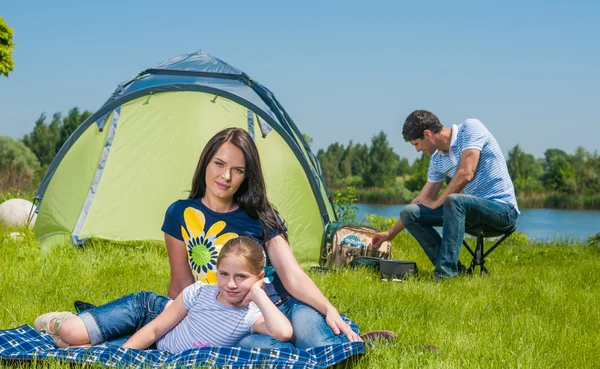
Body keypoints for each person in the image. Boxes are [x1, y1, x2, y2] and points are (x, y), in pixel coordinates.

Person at [162, 127, 394, 348]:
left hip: (282, 304)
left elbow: (291, 274)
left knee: (320, 345)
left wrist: (328, 308)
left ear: (246, 176)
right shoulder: (179, 214)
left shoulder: (258, 215)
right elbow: (181, 282)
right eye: (219, 164)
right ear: (205, 163)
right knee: (255, 349)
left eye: (238, 170)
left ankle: (353, 341)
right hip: (237, 317)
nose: (226, 176)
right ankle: (308, 345)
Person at [34, 237, 294, 352]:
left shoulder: (251, 316)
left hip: (156, 348)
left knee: (75, 350)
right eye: (224, 274)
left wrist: (259, 295)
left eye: (242, 277)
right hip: (150, 311)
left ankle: (85, 330)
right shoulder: (200, 292)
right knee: (70, 332)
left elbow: (283, 333)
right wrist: (122, 358)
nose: (231, 284)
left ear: (259, 278)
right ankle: (62, 321)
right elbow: (156, 328)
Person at [372, 110, 519, 279]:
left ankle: (444, 274)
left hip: (502, 212)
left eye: (417, 144)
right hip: (469, 214)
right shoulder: (437, 159)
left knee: (454, 201)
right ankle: (457, 272)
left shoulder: (471, 129)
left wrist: (437, 203)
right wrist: (389, 234)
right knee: (410, 213)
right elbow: (421, 199)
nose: (417, 150)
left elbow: (466, 173)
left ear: (428, 134)